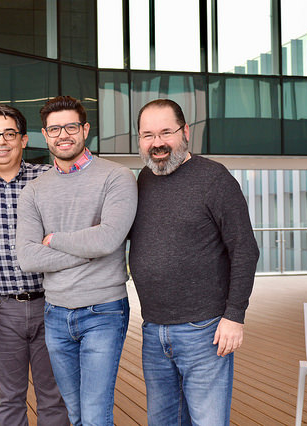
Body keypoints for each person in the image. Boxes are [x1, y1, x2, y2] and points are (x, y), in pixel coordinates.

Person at [129, 99, 260, 425]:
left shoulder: (214, 179)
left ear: (185, 132)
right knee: (163, 421)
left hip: (205, 331)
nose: (157, 143)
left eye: (165, 132)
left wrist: (234, 316)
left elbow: (244, 249)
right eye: (148, 135)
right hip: (153, 331)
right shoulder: (141, 181)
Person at [15, 95, 137, 425]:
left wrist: (55, 240)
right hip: (55, 313)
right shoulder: (35, 190)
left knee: (96, 416)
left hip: (104, 310)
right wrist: (88, 253)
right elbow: (27, 256)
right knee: (76, 414)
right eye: (55, 129)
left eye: (70, 126)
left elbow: (109, 239)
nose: (63, 135)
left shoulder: (117, 177)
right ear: (45, 134)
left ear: (85, 129)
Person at [0, 104, 68, 425]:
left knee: (54, 395)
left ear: (24, 139)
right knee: (8, 397)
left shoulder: (47, 178)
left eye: (9, 134)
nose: (1, 141)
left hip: (52, 305)